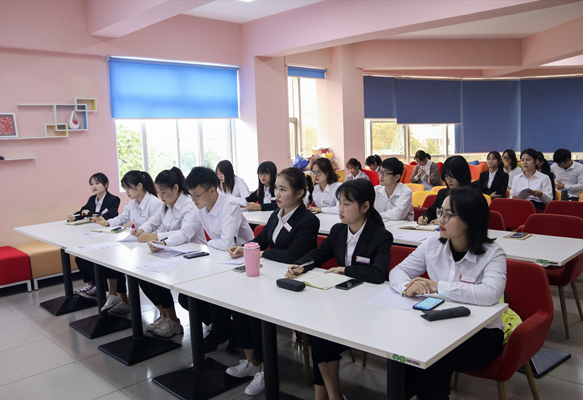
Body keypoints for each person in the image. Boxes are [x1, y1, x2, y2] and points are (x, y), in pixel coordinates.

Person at [390, 186, 506, 400]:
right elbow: (398, 271)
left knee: (431, 356)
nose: (440, 220)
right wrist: (407, 287)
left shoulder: (493, 253)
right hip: (437, 324)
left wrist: (438, 286)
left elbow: (490, 294)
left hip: (481, 334)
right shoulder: (433, 243)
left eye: (448, 215)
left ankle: (397, 395)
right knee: (416, 350)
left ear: (470, 219)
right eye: (440, 212)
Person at [285, 179, 393, 400]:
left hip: (367, 309)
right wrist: (301, 266)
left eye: (347, 204)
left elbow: (377, 274)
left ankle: (329, 396)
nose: (340, 209)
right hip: (342, 303)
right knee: (318, 334)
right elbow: (317, 255)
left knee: (320, 338)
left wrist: (346, 270)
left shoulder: (380, 236)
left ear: (365, 206)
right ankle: (331, 395)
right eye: (340, 203)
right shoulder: (338, 231)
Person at [225, 167, 320, 396]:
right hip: (270, 275)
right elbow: (261, 239)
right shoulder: (276, 214)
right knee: (239, 305)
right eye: (276, 188)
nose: (276, 194)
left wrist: (259, 253)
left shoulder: (308, 220)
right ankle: (252, 362)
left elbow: (292, 255)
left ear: (299, 193)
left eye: (283, 189)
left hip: (293, 282)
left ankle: (266, 370)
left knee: (258, 311)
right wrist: (244, 248)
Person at [177, 166, 255, 352]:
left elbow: (227, 243)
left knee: (214, 292)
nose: (193, 200)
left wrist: (208, 244)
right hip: (218, 260)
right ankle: (225, 327)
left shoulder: (229, 205)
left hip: (242, 261)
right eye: (191, 196)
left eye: (196, 195)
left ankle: (221, 330)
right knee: (185, 297)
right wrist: (161, 241)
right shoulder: (200, 207)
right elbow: (186, 232)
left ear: (212, 190)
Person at [136, 167, 207, 338]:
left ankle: (173, 321)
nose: (161, 195)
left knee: (156, 277)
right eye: (158, 191)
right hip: (174, 251)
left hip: (193, 254)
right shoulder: (166, 206)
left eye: (163, 191)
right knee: (144, 277)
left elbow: (184, 233)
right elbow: (153, 221)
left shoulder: (188, 204)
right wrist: (141, 229)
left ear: (176, 188)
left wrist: (159, 239)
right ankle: (166, 316)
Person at [91, 170, 161, 313]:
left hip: (152, 245)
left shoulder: (154, 203)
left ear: (139, 186)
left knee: (146, 281)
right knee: (111, 260)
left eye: (128, 188)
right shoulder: (133, 202)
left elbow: (156, 225)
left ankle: (163, 313)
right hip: (138, 243)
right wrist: (106, 222)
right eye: (125, 188)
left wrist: (141, 231)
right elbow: (122, 218)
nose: (126, 192)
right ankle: (122, 300)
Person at [69, 173, 120, 300]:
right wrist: (74, 217)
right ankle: (92, 285)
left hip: (107, 234)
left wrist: (90, 213)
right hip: (93, 233)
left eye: (97, 183)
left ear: (106, 185)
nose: (94, 187)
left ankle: (100, 287)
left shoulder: (113, 199)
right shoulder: (92, 199)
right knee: (80, 258)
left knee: (90, 259)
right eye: (91, 184)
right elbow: (83, 211)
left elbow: (110, 216)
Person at [419, 156, 471, 225]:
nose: (449, 180)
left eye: (452, 176)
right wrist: (425, 217)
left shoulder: (472, 196)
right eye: (446, 176)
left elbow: (468, 220)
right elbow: (431, 211)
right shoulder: (442, 193)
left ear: (463, 175)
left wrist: (443, 221)